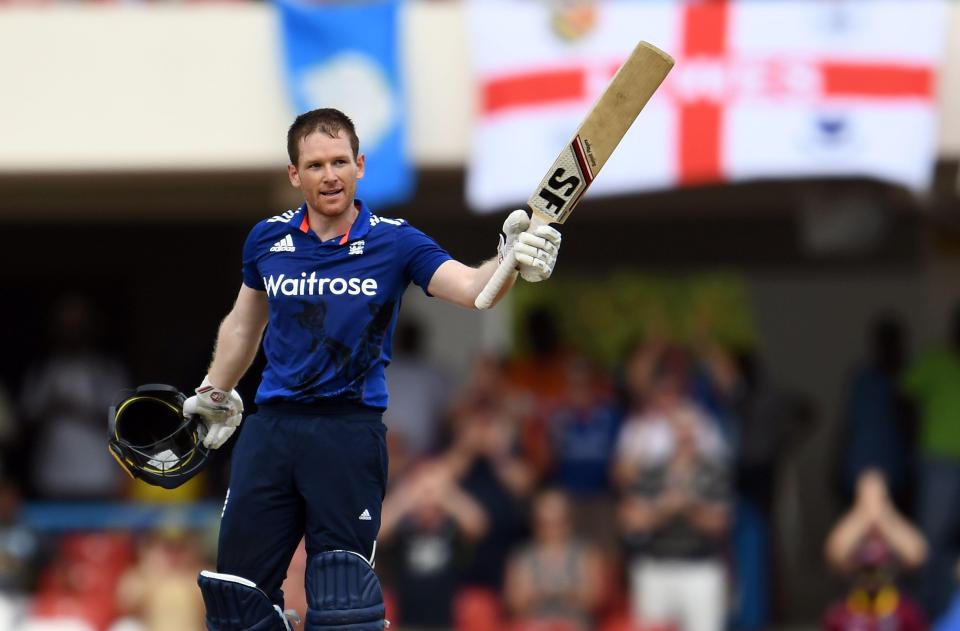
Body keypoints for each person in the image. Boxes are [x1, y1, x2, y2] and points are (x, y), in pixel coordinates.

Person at [181, 108, 562, 631]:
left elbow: (475, 290)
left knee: (344, 609)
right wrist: (213, 391)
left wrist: (511, 259)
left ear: (359, 165)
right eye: (315, 165)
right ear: (295, 174)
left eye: (340, 161)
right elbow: (245, 326)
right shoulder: (267, 239)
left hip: (347, 432)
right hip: (270, 431)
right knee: (237, 605)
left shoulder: (395, 240)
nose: (330, 175)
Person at [822, 469, 928, 631]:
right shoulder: (841, 615)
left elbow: (917, 554)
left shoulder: (906, 613)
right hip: (858, 603)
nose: (873, 576)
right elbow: (835, 553)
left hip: (889, 602)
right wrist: (862, 511)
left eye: (879, 495)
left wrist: (884, 513)